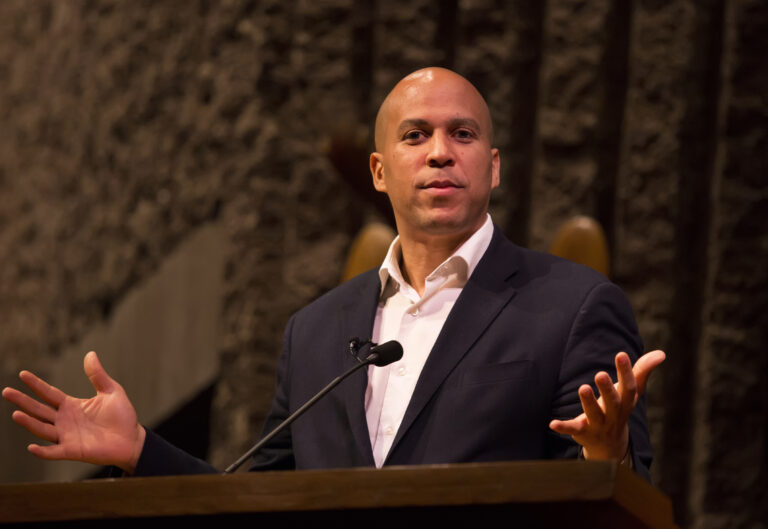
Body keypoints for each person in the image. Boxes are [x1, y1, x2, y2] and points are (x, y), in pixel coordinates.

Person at [2, 67, 665, 479]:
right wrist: (141, 449)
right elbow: (259, 503)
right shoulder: (317, 332)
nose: (439, 152)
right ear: (379, 170)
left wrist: (604, 458)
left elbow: (624, 499)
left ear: (492, 167)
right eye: (415, 136)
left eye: (462, 135)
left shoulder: (573, 304)